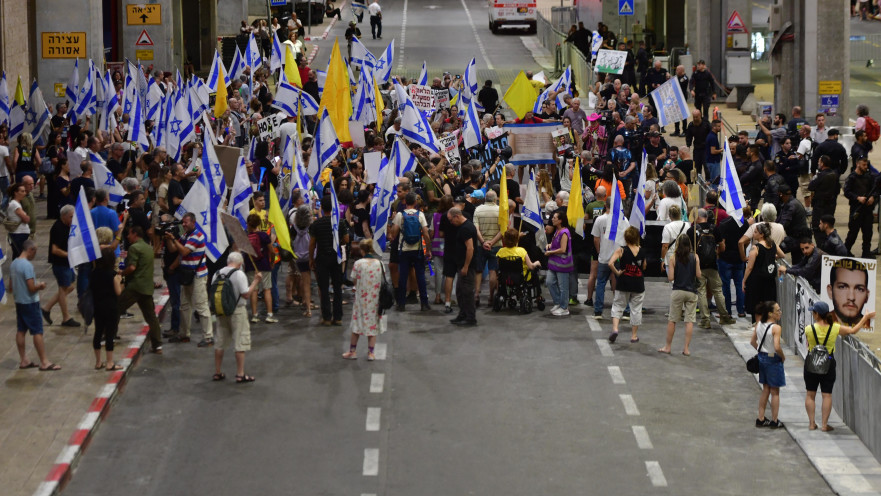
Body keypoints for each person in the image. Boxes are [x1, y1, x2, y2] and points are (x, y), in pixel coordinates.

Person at [803, 301, 874, 431]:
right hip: (828, 363)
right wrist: (865, 317)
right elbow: (853, 330)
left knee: (810, 394)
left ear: (817, 314)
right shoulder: (835, 327)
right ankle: (824, 425)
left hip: (811, 364)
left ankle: (811, 423)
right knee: (827, 395)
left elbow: (808, 343)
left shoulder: (809, 329)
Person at [165, 212, 215, 347]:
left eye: (186, 222)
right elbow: (172, 250)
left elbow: (184, 251)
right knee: (185, 305)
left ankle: (208, 337)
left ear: (193, 222)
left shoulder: (197, 236)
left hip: (198, 276)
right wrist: (169, 239)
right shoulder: (185, 235)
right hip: (187, 275)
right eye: (183, 222)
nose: (184, 224)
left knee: (201, 306)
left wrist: (174, 239)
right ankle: (184, 334)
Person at [212, 252, 262, 384]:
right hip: (237, 311)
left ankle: (217, 372)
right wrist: (256, 281)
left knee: (220, 341)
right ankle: (240, 374)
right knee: (240, 341)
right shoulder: (239, 274)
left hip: (221, 310)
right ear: (240, 264)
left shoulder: (217, 273)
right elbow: (245, 294)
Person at [12, 240, 61, 371]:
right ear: (30, 250)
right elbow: (31, 288)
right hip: (30, 302)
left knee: (21, 330)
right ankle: (44, 362)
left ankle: (23, 360)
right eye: (35, 251)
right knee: (37, 331)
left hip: (19, 301)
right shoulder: (27, 266)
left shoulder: (14, 263)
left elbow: (10, 287)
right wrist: (40, 285)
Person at [118, 226, 163, 354]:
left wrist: (122, 273)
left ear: (135, 234)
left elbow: (132, 268)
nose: (127, 237)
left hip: (135, 286)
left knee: (116, 308)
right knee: (151, 317)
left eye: (129, 234)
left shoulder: (134, 248)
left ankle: (108, 335)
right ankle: (157, 345)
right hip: (147, 287)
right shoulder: (149, 248)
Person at [342, 239, 387, 361]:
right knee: (372, 327)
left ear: (362, 250)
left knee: (356, 326)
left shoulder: (358, 264)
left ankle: (352, 351)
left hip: (361, 300)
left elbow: (354, 281)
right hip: (375, 300)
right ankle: (371, 353)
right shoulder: (380, 264)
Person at [310, 196, 350, 326]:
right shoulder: (340, 223)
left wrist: (311, 258)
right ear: (333, 208)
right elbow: (347, 239)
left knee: (324, 287)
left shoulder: (316, 224)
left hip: (322, 258)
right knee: (337, 287)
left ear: (322, 208)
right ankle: (338, 317)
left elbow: (312, 244)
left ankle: (326, 317)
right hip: (336, 258)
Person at [659, 234, 701, 356]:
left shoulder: (673, 258)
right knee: (689, 321)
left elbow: (671, 277)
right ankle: (686, 349)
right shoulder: (695, 257)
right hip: (691, 292)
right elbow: (698, 275)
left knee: (672, 320)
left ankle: (668, 347)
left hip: (677, 290)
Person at [389, 192, 431, 311]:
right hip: (417, 250)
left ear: (405, 202)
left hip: (404, 250)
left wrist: (392, 222)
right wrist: (427, 249)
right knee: (420, 276)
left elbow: (393, 234)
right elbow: (426, 234)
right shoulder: (420, 215)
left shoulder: (400, 215)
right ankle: (424, 303)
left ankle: (401, 304)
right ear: (415, 202)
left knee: (403, 276)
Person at [40, 204, 80, 327]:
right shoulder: (58, 228)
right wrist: (69, 255)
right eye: (71, 217)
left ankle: (46, 308)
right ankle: (66, 318)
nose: (73, 220)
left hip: (67, 263)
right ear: (64, 216)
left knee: (70, 287)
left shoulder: (68, 226)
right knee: (63, 288)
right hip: (60, 263)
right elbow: (55, 250)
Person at [750, 301, 786, 429]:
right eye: (778, 310)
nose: (780, 312)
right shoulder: (776, 328)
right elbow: (777, 346)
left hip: (762, 358)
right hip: (773, 359)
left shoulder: (759, 324)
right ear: (770, 313)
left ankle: (761, 418)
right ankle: (775, 420)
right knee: (775, 391)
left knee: (765, 388)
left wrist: (761, 352)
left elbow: (752, 341)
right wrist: (782, 356)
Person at [608, 226, 645, 344]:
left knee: (618, 306)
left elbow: (610, 263)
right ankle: (634, 335)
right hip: (638, 284)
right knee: (636, 309)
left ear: (626, 238)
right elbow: (644, 266)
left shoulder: (621, 250)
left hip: (624, 282)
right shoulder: (642, 250)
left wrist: (618, 272)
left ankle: (615, 329)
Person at [743, 223, 784, 323]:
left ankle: (756, 325)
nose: (754, 233)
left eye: (756, 232)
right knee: (768, 305)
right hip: (769, 280)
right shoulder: (772, 244)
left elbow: (750, 267)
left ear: (761, 235)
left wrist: (744, 281)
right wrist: (771, 257)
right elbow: (782, 255)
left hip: (756, 280)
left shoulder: (755, 248)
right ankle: (768, 324)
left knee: (756, 305)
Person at [90, 247, 123, 371]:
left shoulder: (93, 274)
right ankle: (110, 363)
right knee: (110, 334)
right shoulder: (112, 275)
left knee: (98, 332)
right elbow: (118, 292)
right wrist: (121, 280)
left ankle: (98, 362)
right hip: (111, 307)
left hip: (97, 306)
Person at [243, 213, 276, 323]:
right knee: (267, 289)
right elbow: (271, 251)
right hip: (264, 264)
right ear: (259, 223)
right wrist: (272, 262)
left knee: (254, 290)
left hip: (251, 265)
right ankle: (269, 315)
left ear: (248, 224)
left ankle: (254, 315)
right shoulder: (263, 235)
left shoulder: (245, 237)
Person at [843, 157, 879, 258]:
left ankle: (866, 253)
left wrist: (872, 197)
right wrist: (857, 198)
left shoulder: (869, 176)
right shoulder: (852, 177)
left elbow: (875, 189)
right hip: (856, 209)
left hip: (867, 210)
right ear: (858, 164)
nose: (866, 167)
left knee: (868, 233)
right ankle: (846, 251)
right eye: (864, 165)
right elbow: (847, 192)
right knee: (853, 233)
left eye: (866, 165)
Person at [448, 207, 478, 326]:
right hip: (462, 265)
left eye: (451, 220)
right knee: (460, 291)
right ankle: (463, 314)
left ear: (457, 216)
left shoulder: (466, 228)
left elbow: (470, 248)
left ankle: (471, 318)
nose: (451, 222)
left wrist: (465, 267)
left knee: (467, 292)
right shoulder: (465, 226)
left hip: (467, 267)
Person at [826, 258, 872, 327]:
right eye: (842, 287)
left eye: (859, 289)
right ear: (830, 291)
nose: (851, 297)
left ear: (867, 296)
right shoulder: (823, 321)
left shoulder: (869, 324)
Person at [545, 211, 573, 317]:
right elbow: (555, 243)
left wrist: (550, 252)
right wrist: (549, 245)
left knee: (563, 287)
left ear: (560, 220)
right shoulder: (557, 231)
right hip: (554, 263)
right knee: (549, 282)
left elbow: (563, 249)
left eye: (555, 218)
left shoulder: (564, 232)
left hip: (562, 264)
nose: (552, 219)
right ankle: (558, 303)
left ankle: (564, 307)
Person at [6, 182, 31, 259]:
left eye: (25, 191)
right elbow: (26, 219)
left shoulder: (17, 204)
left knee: (19, 254)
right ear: (16, 193)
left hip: (20, 233)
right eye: (22, 191)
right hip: (18, 234)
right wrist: (26, 217)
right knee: (19, 255)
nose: (24, 193)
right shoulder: (15, 205)